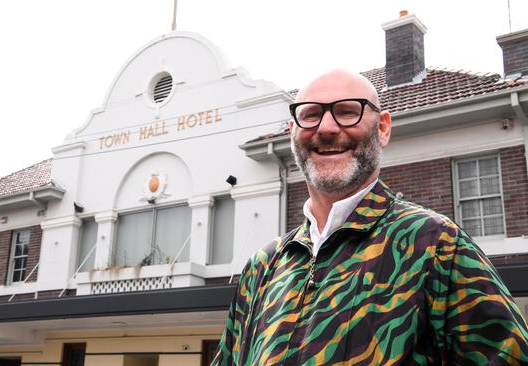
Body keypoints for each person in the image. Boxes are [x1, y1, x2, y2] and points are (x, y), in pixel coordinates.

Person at [213, 69, 528, 365]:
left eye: (348, 111)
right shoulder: (262, 268)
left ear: (383, 128)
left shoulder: (436, 246)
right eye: (310, 114)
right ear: (294, 130)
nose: (326, 128)